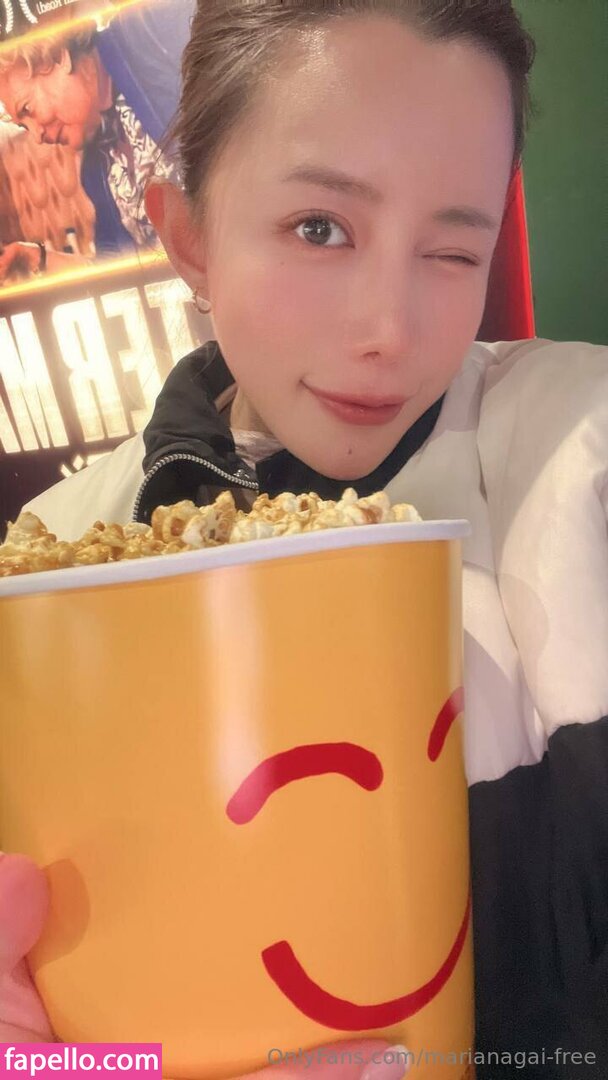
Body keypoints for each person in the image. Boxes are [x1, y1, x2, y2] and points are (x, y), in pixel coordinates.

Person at [1, 1, 607, 1077]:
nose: (389, 331)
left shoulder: (580, 446)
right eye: (319, 228)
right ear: (189, 236)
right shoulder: (55, 552)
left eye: (451, 250)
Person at [0, 0, 193, 279]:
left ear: (57, 56)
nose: (37, 135)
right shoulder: (95, 172)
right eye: (22, 125)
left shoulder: (147, 30)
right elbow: (117, 273)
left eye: (27, 109)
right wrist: (39, 258)